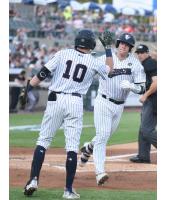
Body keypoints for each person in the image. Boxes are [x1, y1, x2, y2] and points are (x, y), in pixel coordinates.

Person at [22, 29, 114, 199]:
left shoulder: (63, 53)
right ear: (92, 44)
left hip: (55, 99)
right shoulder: (93, 61)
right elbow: (109, 70)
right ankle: (68, 190)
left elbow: (42, 73)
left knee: (43, 140)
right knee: (71, 146)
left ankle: (33, 180)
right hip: (75, 102)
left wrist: (27, 89)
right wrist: (108, 48)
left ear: (77, 41)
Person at [79, 33, 146, 185]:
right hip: (103, 101)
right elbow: (88, 67)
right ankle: (100, 172)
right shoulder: (104, 59)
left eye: (127, 44)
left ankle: (88, 147)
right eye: (121, 43)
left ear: (130, 48)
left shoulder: (135, 64)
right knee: (102, 135)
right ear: (117, 44)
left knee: (105, 136)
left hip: (119, 105)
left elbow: (142, 88)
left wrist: (132, 87)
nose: (123, 46)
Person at [129, 44, 157, 163]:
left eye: (141, 52)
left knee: (146, 130)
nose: (139, 55)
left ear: (147, 53)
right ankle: (143, 156)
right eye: (138, 53)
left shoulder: (149, 63)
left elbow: (157, 82)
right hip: (152, 99)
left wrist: (145, 95)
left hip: (154, 99)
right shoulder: (146, 63)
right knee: (142, 129)